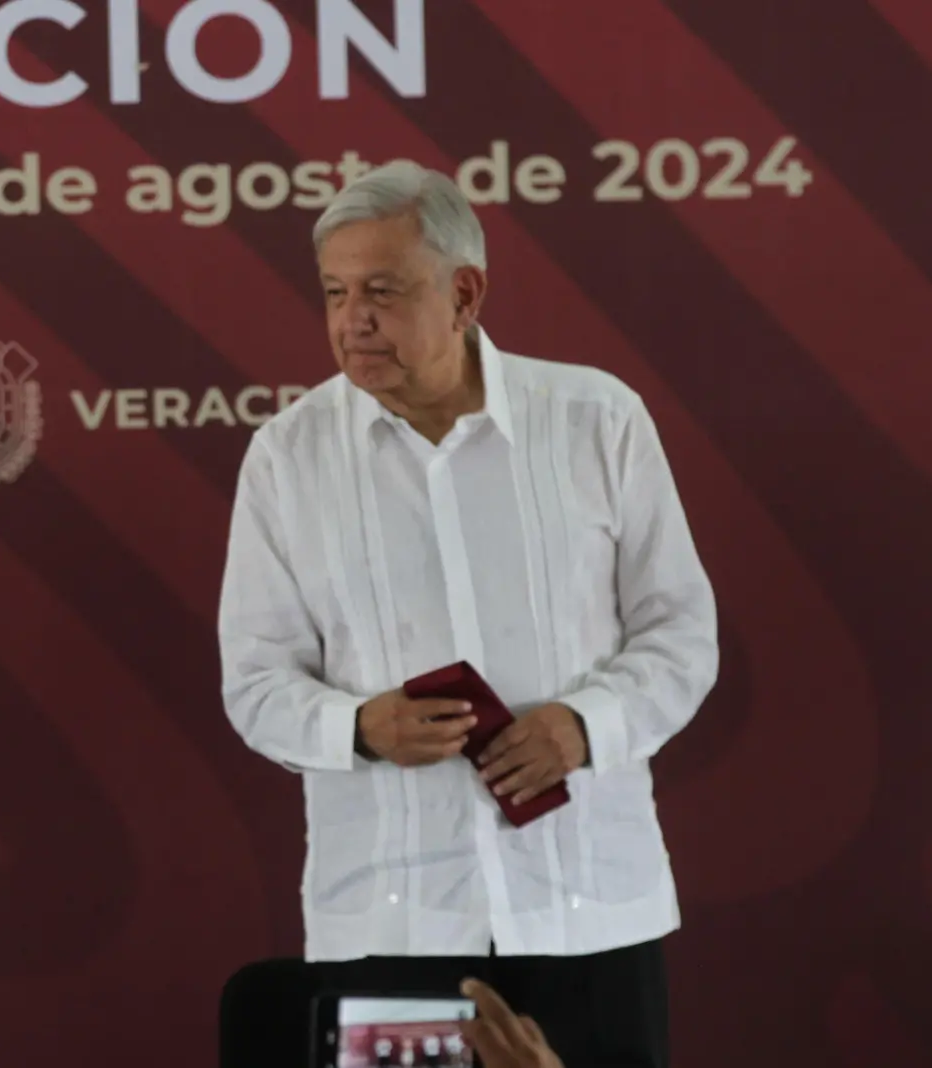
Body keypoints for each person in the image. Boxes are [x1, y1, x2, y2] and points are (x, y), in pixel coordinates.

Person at [217, 159, 717, 1067]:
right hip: (391, 916)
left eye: (381, 290)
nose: (351, 320)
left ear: (465, 292)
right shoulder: (288, 457)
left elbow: (681, 632)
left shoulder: (596, 420)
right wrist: (358, 727)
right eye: (333, 292)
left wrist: (583, 725)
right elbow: (253, 682)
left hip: (588, 906)